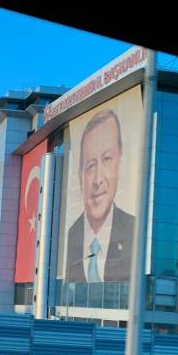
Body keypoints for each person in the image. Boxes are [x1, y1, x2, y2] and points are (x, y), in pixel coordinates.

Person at [65, 109, 135, 283]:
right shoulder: (71, 235)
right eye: (90, 165)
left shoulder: (135, 231)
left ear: (120, 162)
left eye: (107, 159)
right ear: (80, 175)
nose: (98, 180)